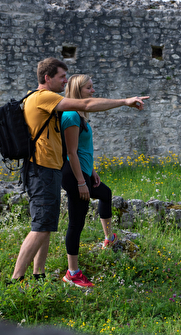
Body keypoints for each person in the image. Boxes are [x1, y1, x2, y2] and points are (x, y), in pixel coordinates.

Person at [11, 57, 148, 283]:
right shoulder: (44, 97)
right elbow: (84, 105)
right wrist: (125, 101)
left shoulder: (37, 99)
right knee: (41, 228)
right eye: (62, 77)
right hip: (42, 171)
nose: (65, 81)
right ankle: (16, 281)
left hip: (49, 170)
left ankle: (38, 276)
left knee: (45, 226)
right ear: (47, 78)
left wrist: (88, 171)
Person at [61, 74, 116, 287]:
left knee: (105, 193)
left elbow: (83, 149)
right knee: (76, 221)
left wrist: (91, 170)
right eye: (89, 88)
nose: (93, 91)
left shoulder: (79, 115)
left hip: (83, 172)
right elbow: (71, 153)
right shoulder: (71, 116)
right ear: (78, 91)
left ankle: (108, 239)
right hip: (74, 175)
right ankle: (72, 273)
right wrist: (81, 182)